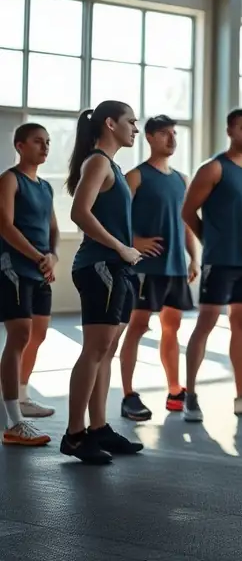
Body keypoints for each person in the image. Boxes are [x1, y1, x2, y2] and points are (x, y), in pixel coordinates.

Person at [60, 101, 146, 464]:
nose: (136, 129)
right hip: (100, 266)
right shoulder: (96, 162)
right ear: (110, 124)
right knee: (94, 350)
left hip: (116, 267)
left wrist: (125, 251)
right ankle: (74, 435)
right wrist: (119, 248)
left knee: (106, 351)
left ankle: (98, 428)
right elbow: (79, 212)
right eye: (131, 122)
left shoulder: (113, 166)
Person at [180, 108, 242, 422]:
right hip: (219, 263)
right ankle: (189, 396)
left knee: (241, 326)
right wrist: (211, 242)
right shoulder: (213, 169)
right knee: (205, 325)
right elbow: (188, 212)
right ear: (230, 130)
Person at [118, 116, 200, 422]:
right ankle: (128, 395)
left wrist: (193, 257)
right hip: (145, 268)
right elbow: (114, 220)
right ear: (149, 137)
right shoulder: (136, 176)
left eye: (174, 134)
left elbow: (186, 222)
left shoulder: (182, 179)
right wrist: (135, 240)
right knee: (137, 328)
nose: (172, 139)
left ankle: (175, 390)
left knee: (172, 328)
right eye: (165, 134)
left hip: (175, 268)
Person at [0, 123, 59, 446]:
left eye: (48, 142)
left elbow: (54, 229)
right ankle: (13, 421)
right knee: (20, 335)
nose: (45, 147)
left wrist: (53, 256)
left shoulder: (46, 187)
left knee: (38, 335)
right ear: (20, 145)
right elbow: (5, 225)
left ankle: (21, 395)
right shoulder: (10, 180)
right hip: (14, 268)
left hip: (40, 270)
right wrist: (39, 257)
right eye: (38, 142)